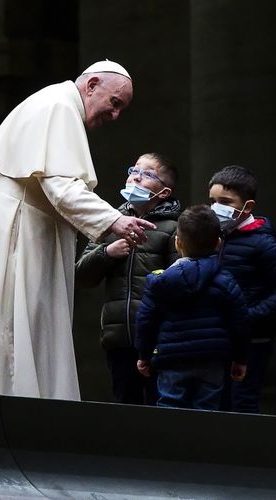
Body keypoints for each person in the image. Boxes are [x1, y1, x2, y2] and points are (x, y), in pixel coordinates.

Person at [0, 60, 157, 401]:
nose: (114, 116)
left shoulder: (54, 102)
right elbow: (62, 186)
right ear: (92, 85)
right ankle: (14, 414)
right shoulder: (59, 106)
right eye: (114, 103)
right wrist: (114, 220)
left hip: (2, 215)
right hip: (11, 220)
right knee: (10, 328)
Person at [75, 153, 181, 405]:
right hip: (119, 338)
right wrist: (107, 252)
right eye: (134, 170)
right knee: (126, 404)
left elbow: (180, 283)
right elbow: (81, 276)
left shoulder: (175, 228)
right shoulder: (108, 223)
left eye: (147, 174)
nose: (136, 176)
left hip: (159, 340)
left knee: (161, 405)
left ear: (164, 192)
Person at [135, 204, 250, 410]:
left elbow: (145, 321)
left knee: (170, 407)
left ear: (178, 242)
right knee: (206, 412)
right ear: (218, 243)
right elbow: (239, 322)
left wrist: (144, 355)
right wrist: (240, 358)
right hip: (212, 360)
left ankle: (172, 442)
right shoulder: (226, 281)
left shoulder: (159, 282)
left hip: (172, 359)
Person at [208, 165, 276, 413]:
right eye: (213, 201)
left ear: (247, 207)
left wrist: (248, 317)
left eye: (225, 201)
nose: (216, 208)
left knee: (242, 403)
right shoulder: (215, 237)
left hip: (252, 341)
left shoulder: (263, 242)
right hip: (220, 336)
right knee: (217, 404)